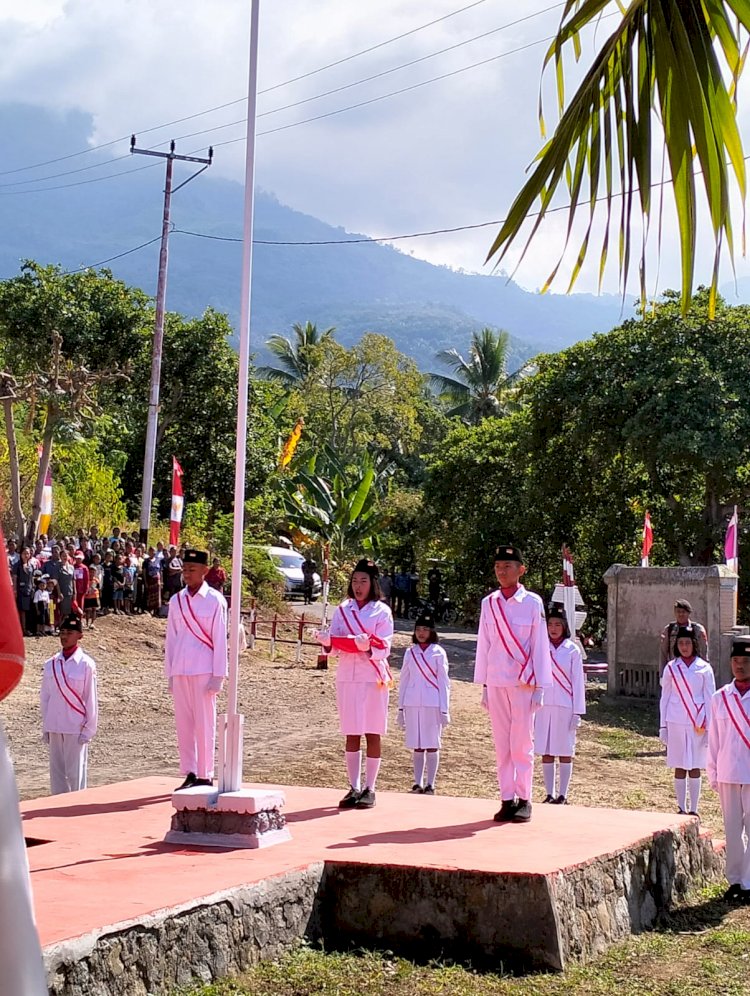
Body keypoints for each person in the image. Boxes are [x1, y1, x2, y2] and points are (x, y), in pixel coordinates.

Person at [474, 545, 552, 824]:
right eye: (497, 566)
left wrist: (541, 685)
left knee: (521, 743)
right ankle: (507, 798)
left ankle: (525, 797)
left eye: (507, 566)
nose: (501, 571)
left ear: (521, 569)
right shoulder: (489, 603)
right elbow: (484, 644)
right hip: (496, 680)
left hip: (523, 682)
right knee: (501, 744)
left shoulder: (532, 602)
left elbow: (540, 645)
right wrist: (482, 683)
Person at [314, 559, 394, 809]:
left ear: (373, 583)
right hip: (348, 676)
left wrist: (368, 645)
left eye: (364, 581)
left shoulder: (381, 611)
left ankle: (370, 787)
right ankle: (353, 786)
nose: (358, 586)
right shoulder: (343, 609)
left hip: (372, 677)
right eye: (355, 580)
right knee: (351, 730)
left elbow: (386, 646)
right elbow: (335, 645)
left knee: (372, 730)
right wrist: (326, 641)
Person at [164, 549, 228, 789]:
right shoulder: (176, 600)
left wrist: (218, 675)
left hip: (204, 669)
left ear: (205, 571)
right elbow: (171, 638)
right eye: (185, 569)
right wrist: (169, 672)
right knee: (184, 724)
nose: (187, 574)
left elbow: (220, 639)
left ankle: (205, 773)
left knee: (205, 723)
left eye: (192, 569)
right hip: (181, 667)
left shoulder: (214, 600)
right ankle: (190, 771)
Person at [707, 636, 750, 903]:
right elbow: (714, 738)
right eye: (736, 661)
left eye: (745, 661)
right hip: (727, 772)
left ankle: (749, 881)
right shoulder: (720, 697)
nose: (740, 666)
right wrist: (712, 772)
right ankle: (735, 880)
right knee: (732, 829)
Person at [660, 624, 716, 816]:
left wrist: (711, 729)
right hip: (675, 721)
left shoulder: (705, 668)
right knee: (679, 764)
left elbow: (710, 699)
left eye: (687, 643)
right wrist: (662, 726)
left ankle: (694, 809)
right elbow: (665, 698)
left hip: (698, 723)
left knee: (694, 765)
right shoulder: (671, 668)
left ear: (694, 644)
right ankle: (681, 807)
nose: (684, 647)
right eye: (681, 643)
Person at [40, 615, 98, 794]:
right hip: (55, 724)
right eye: (62, 632)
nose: (64, 636)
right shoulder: (51, 664)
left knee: (75, 773)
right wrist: (46, 726)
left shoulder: (86, 664)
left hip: (75, 725)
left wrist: (89, 729)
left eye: (70, 632)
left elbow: (91, 699)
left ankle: (76, 808)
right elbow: (45, 697)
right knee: (57, 774)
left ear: (79, 636)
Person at [535, 605, 586, 805]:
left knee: (565, 750)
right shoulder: (541, 647)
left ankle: (563, 795)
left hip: (566, 704)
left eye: (558, 624)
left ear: (565, 626)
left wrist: (578, 712)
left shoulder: (572, 650)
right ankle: (549, 793)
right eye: (550, 624)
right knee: (546, 750)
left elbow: (578, 682)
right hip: (544, 704)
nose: (553, 628)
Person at [397, 610, 450, 795]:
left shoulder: (438, 652)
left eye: (425, 629)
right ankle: (417, 782)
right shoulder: (410, 652)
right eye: (418, 629)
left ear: (432, 631)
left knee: (432, 743)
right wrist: (400, 708)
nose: (421, 633)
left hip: (432, 702)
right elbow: (404, 679)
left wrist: (445, 709)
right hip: (412, 702)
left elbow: (444, 682)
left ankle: (431, 783)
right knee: (417, 743)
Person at [660, 599, 708, 674]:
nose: (680, 614)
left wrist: (705, 670)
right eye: (678, 612)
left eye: (683, 612)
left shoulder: (698, 629)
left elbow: (704, 652)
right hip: (675, 670)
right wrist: (662, 674)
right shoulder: (669, 630)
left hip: (694, 670)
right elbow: (663, 653)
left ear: (688, 613)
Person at [13, 547, 35, 635]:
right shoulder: (17, 565)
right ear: (21, 554)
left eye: (28, 553)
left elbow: (32, 578)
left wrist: (33, 587)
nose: (26, 555)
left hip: (29, 590)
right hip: (20, 590)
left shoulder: (31, 565)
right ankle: (23, 629)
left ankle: (29, 628)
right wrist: (15, 590)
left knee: (29, 610)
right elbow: (15, 578)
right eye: (24, 553)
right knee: (22, 610)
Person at [32, 573, 50, 638]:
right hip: (39, 605)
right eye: (41, 585)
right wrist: (37, 610)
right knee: (39, 619)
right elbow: (36, 602)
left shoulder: (46, 593)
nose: (42, 586)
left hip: (45, 606)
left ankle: (43, 631)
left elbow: (48, 601)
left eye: (43, 585)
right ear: (39, 586)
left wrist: (47, 608)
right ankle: (38, 631)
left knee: (44, 619)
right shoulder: (37, 592)